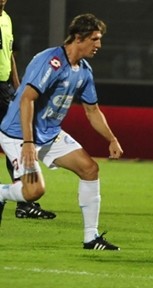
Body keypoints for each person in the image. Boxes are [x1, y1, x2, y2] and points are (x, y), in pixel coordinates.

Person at [0, 13, 123, 250]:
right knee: (34, 191)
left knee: (90, 169)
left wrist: (112, 139)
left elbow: (92, 111)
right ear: (79, 38)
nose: (99, 45)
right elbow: (27, 100)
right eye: (95, 39)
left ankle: (91, 238)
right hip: (18, 134)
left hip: (49, 133)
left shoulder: (84, 70)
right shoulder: (51, 61)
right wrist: (27, 143)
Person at [0, 0, 56, 219]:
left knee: (17, 139)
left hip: (3, 88)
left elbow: (10, 55)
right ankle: (24, 200)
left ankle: (24, 200)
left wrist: (17, 86)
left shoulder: (6, 19)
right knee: (17, 138)